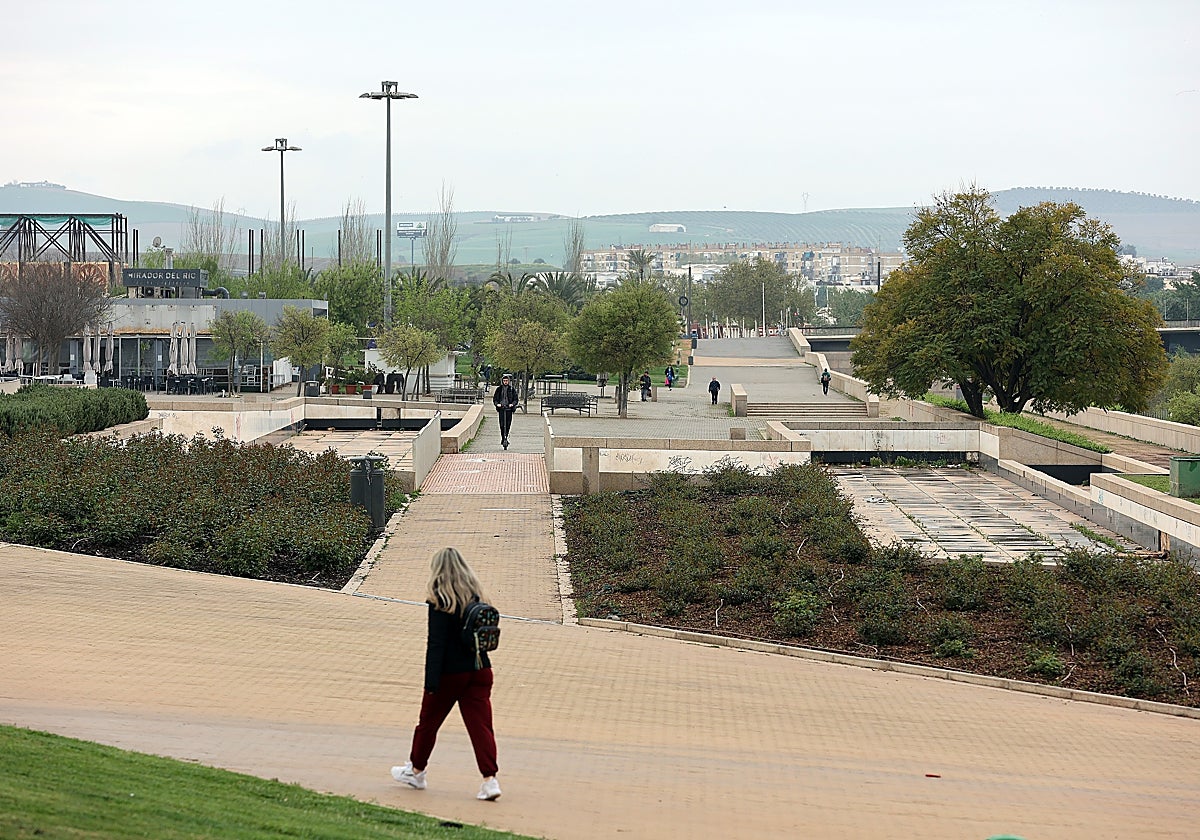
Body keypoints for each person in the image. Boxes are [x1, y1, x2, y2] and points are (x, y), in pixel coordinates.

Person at [392, 548, 501, 802]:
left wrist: (430, 683)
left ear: (438, 570)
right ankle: (490, 780)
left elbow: (436, 644)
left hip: (450, 674)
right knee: (481, 727)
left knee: (428, 724)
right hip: (481, 669)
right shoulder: (476, 596)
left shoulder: (440, 600)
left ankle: (416, 771)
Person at [492, 373, 519, 449]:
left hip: (509, 410)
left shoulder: (511, 389)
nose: (505, 382)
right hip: (501, 409)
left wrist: (512, 404)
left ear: (508, 381)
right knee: (501, 425)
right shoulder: (499, 389)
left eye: (507, 380)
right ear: (502, 381)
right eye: (504, 380)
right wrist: (497, 404)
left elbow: (516, 399)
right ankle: (503, 438)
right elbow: (495, 399)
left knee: (507, 425)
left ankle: (506, 436)